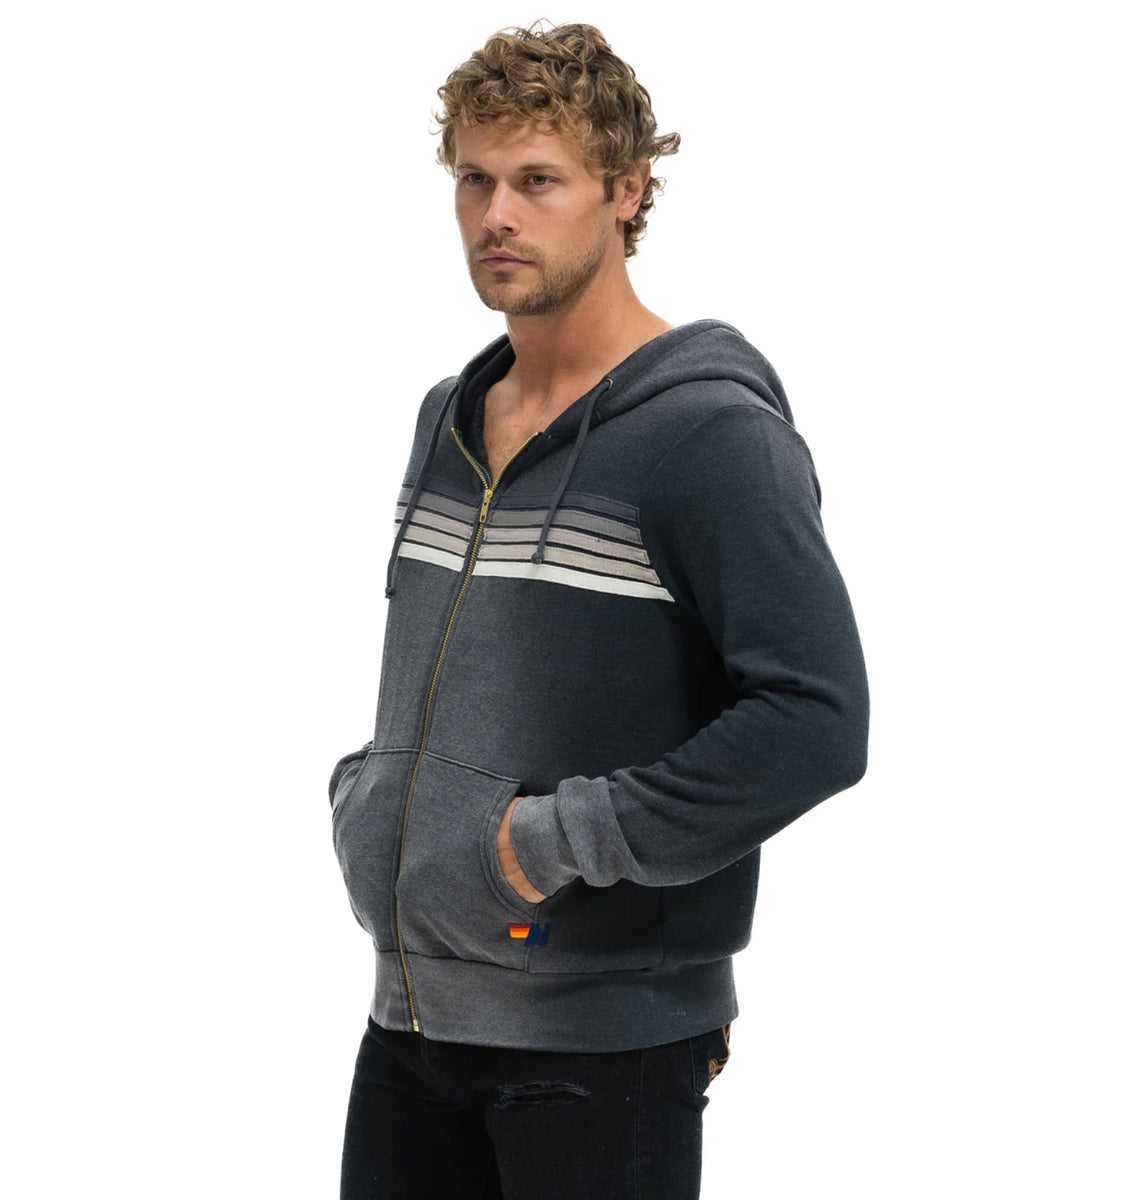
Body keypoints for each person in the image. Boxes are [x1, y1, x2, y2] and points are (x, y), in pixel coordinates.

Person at [329, 21, 869, 1199]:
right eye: (473, 179)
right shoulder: (449, 417)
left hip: (603, 1046)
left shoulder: (711, 436)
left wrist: (544, 844)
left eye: (538, 181)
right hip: (412, 1020)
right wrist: (374, 803)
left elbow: (816, 721)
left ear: (625, 192)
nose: (495, 217)